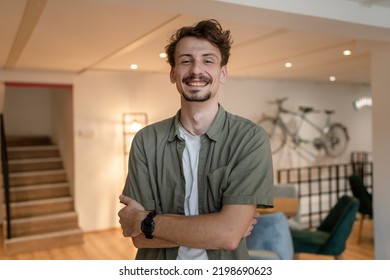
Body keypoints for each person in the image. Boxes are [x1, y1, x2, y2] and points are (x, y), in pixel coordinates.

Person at [118, 19, 274, 260]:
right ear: (173, 73)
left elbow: (228, 236)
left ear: (222, 73)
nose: (196, 70)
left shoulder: (249, 139)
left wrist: (145, 220)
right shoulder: (146, 141)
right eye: (186, 60)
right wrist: (219, 225)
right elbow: (138, 236)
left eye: (208, 60)